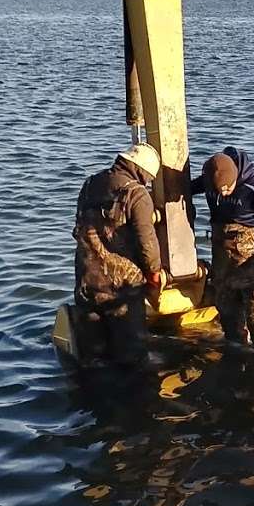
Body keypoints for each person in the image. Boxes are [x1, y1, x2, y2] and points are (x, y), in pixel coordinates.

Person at [73, 142, 166, 366]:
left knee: (93, 358)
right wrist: (154, 274)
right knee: (132, 360)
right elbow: (147, 242)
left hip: (87, 283)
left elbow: (78, 226)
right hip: (121, 290)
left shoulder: (90, 184)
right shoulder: (137, 194)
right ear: (143, 171)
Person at [193, 147, 254, 353]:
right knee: (231, 330)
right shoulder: (210, 180)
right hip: (224, 266)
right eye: (216, 190)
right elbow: (182, 188)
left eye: (227, 189)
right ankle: (234, 372)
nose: (221, 194)